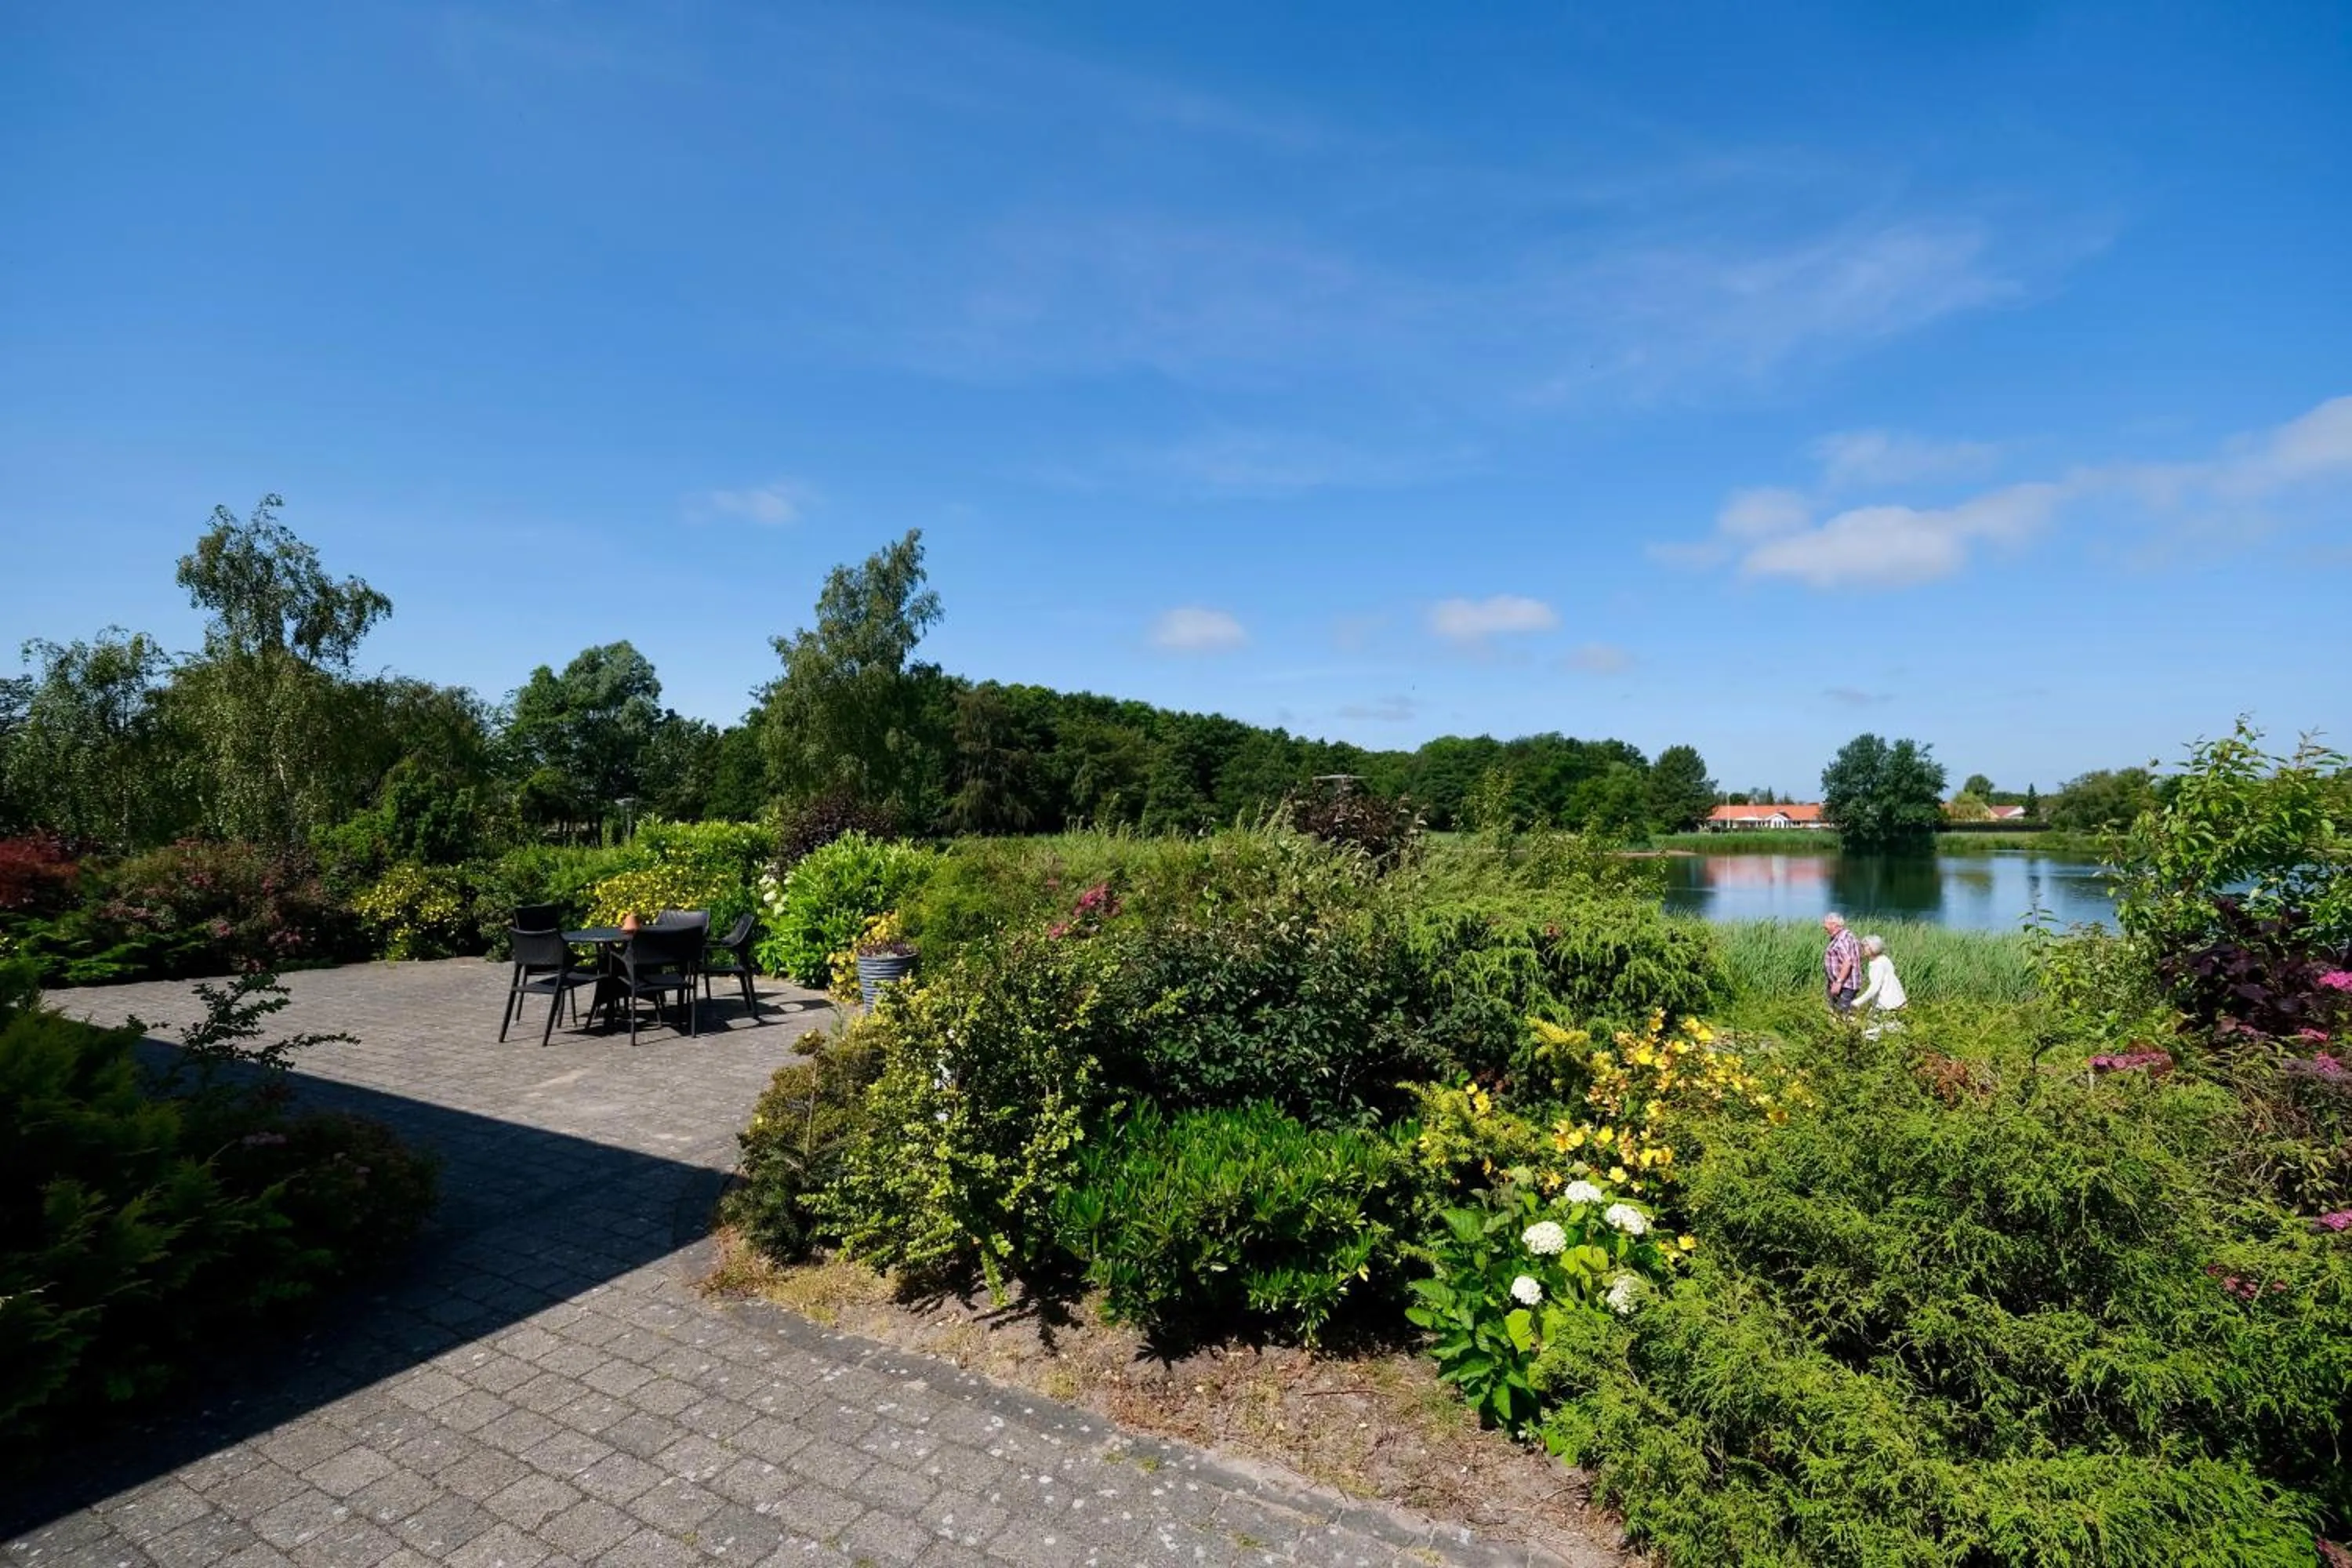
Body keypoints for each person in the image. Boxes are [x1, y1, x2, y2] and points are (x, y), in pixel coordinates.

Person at [1853, 933, 1908, 1036]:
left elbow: (1874, 988)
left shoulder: (1877, 964)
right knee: (1875, 1023)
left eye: (1864, 947)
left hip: (1887, 1003)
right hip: (1896, 999)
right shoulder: (1884, 959)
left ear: (1872, 949)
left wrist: (1858, 1002)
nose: (1862, 949)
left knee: (1878, 1031)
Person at [1821, 912, 1860, 1014]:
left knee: (1841, 1015)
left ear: (1834, 925)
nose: (1824, 927)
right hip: (1839, 984)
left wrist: (1839, 982)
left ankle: (1846, 1030)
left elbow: (1848, 962)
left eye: (1826, 924)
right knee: (1835, 1013)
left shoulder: (1842, 939)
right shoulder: (1844, 936)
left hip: (1845, 985)